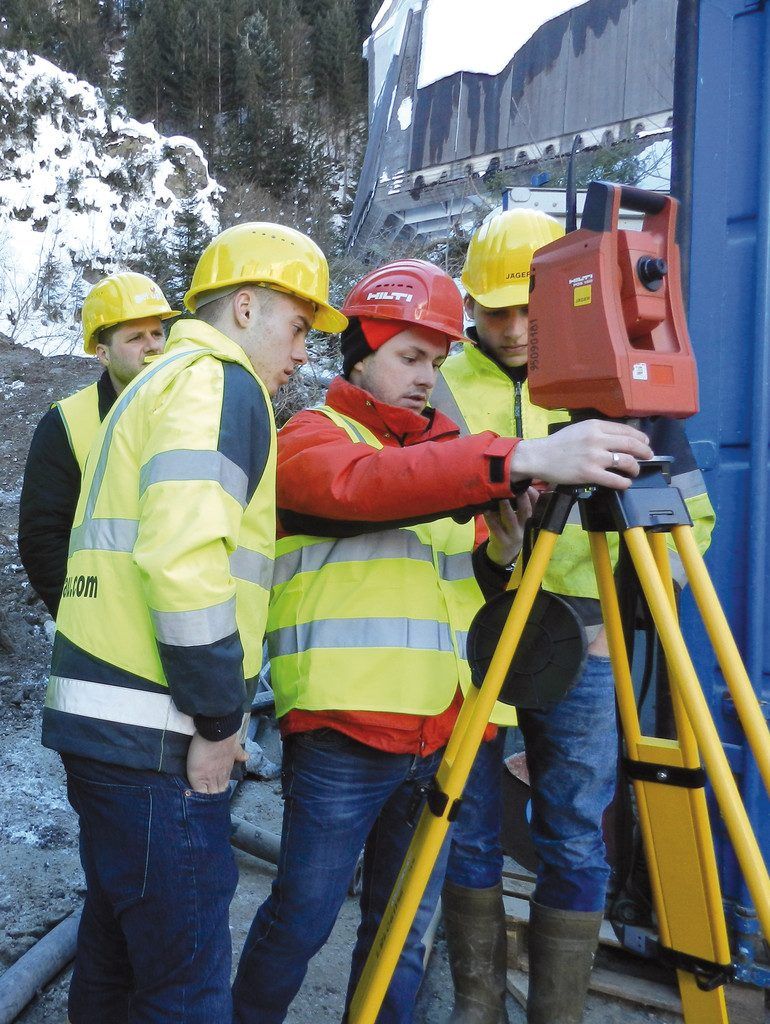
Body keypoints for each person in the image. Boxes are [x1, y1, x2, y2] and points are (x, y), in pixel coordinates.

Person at [231, 258, 654, 1024]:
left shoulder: (447, 456)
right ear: (358, 354)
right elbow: (360, 487)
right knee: (302, 919)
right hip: (343, 734)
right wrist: (516, 455)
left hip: (440, 731)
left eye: (437, 360)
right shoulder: (311, 436)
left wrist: (502, 545)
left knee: (403, 934)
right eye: (410, 357)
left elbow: (460, 582)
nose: (428, 377)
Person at [41, 223, 347, 1024]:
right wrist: (218, 716)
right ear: (246, 307)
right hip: (156, 736)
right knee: (186, 990)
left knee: (116, 955)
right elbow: (183, 560)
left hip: (105, 728)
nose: (304, 351)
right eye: (299, 324)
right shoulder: (219, 381)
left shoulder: (155, 383)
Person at [430, 209, 716, 1024]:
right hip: (474, 635)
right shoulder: (447, 388)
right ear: (471, 309)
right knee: (471, 828)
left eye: (526, 306)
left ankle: (557, 1013)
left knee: (572, 833)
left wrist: (619, 615)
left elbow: (691, 518)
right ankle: (476, 1008)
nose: (513, 328)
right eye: (494, 310)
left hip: (587, 642)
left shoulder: (617, 384)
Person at [18, 272, 177, 617]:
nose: (152, 346)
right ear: (102, 354)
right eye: (135, 337)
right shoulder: (65, 424)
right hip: (105, 630)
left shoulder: (190, 411)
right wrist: (86, 622)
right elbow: (42, 539)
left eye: (157, 333)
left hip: (185, 621)